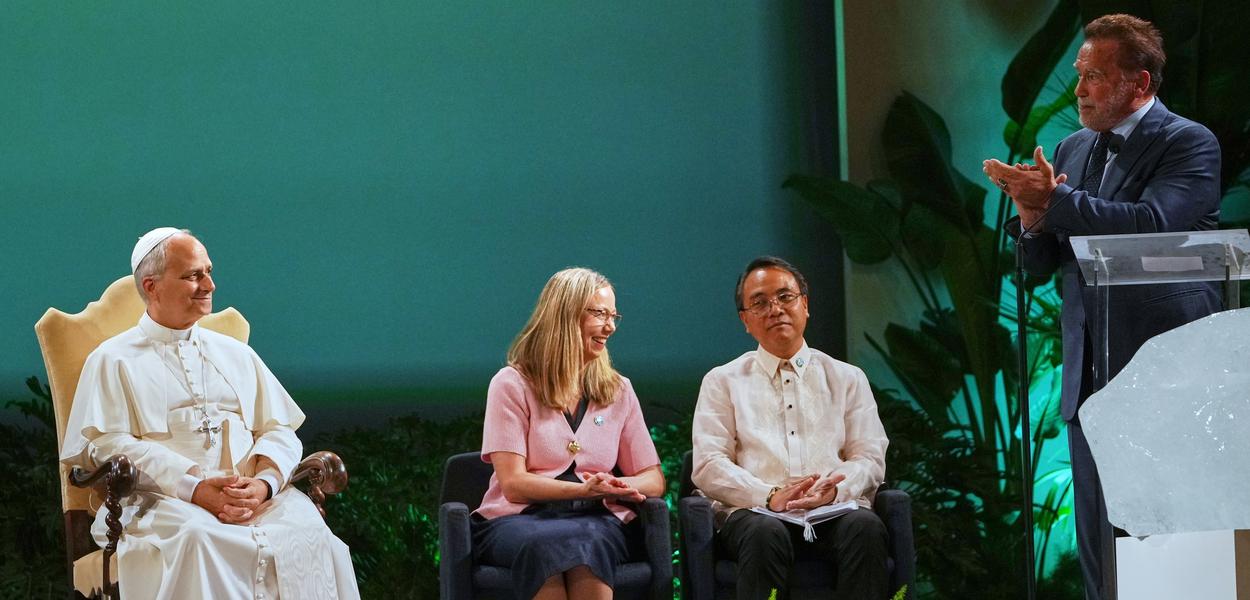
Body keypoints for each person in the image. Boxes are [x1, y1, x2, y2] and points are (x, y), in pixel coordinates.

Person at [983, 14, 1222, 600]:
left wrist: (1056, 198)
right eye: (1079, 75)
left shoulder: (1187, 142)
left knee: (1168, 550)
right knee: (1100, 554)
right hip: (1090, 380)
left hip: (1165, 380)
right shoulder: (1073, 146)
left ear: (1139, 84)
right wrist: (1031, 217)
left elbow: (1150, 225)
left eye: (1094, 77)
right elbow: (1042, 266)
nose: (1079, 90)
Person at [59, 227, 359, 599]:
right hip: (162, 502)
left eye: (209, 271)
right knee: (199, 539)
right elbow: (106, 444)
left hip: (253, 498)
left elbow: (278, 428)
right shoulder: (112, 359)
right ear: (151, 286)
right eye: (192, 276)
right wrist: (195, 488)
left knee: (311, 533)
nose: (209, 285)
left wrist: (264, 483)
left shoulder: (236, 354)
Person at [691, 256, 889, 600]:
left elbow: (870, 456)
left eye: (785, 297)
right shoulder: (722, 381)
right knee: (763, 532)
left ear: (805, 305)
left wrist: (835, 490)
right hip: (755, 514)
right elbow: (708, 464)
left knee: (866, 527)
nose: (775, 309)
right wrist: (769, 496)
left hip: (833, 511)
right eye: (760, 302)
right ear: (745, 321)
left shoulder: (847, 377)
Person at [473, 267, 665, 600]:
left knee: (587, 542)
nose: (610, 326)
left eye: (613, 316)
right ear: (565, 315)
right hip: (519, 521)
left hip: (597, 520)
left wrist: (618, 485)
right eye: (600, 314)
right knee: (545, 545)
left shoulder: (619, 390)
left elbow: (653, 478)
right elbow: (514, 486)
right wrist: (582, 490)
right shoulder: (511, 384)